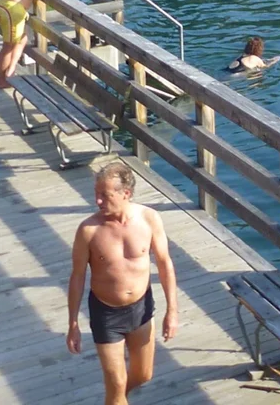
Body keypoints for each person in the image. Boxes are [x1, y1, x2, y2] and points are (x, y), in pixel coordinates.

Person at [67, 162, 179, 405]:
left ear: (125, 193)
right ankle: (116, 397)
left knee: (143, 375)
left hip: (141, 309)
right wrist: (73, 323)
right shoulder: (88, 230)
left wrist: (172, 311)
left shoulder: (149, 219)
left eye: (104, 195)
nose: (98, 201)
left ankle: (115, 400)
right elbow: (77, 276)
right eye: (96, 194)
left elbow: (165, 264)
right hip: (106, 313)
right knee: (117, 383)